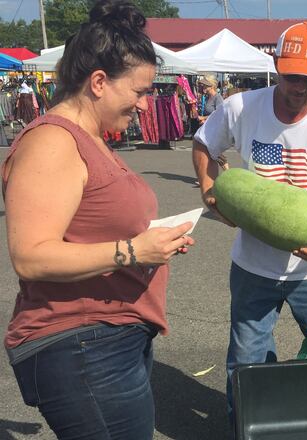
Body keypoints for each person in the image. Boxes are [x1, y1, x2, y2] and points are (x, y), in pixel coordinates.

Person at [2, 1, 195, 438]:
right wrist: (133, 250)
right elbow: (30, 257)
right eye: (140, 92)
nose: (146, 106)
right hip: (81, 345)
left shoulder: (89, 139)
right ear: (99, 82)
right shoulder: (52, 141)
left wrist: (151, 243)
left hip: (107, 339)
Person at [191, 21, 307, 420]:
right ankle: (252, 424)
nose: (299, 86)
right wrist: (208, 187)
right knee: (247, 359)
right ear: (276, 65)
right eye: (292, 76)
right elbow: (204, 142)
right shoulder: (241, 107)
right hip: (253, 266)